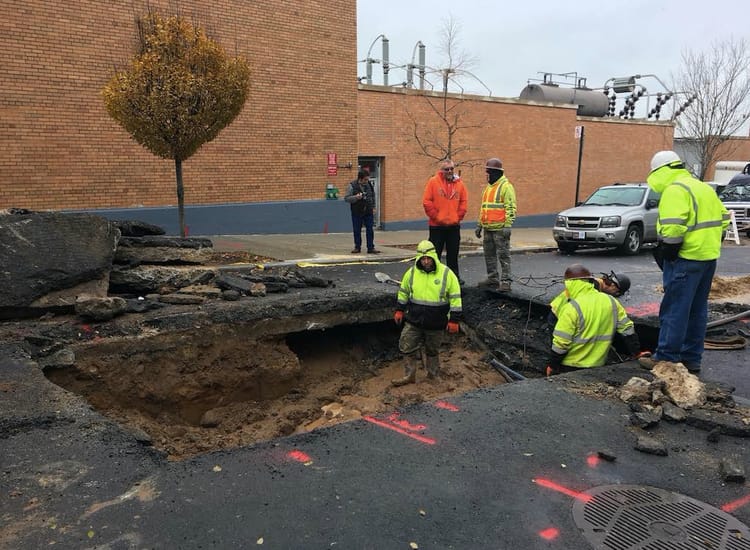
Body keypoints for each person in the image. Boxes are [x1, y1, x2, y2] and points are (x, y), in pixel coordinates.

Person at [638, 151, 730, 373]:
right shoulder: (702, 187)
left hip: (686, 258)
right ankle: (691, 358)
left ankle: (666, 357)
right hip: (707, 257)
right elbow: (724, 218)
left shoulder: (675, 190)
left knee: (674, 309)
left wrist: (667, 250)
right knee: (697, 310)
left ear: (659, 171)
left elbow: (673, 227)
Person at [391, 240, 463, 386]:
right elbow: (403, 292)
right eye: (422, 259)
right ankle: (409, 375)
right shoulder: (411, 273)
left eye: (428, 259)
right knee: (406, 345)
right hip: (414, 320)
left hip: (436, 322)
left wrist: (454, 320)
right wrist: (399, 310)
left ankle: (433, 374)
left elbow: (455, 298)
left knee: (432, 350)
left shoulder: (446, 274)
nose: (425, 262)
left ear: (433, 257)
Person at [547, 264, 640, 376]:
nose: (616, 295)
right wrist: (636, 352)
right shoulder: (609, 301)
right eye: (617, 293)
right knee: (567, 338)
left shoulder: (575, 304)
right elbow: (627, 329)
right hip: (595, 364)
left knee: (565, 339)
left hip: (570, 362)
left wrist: (553, 365)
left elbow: (562, 342)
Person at [422, 159, 468, 283]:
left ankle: (454, 278)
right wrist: (436, 217)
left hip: (453, 226)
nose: (450, 171)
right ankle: (432, 277)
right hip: (436, 226)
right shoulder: (433, 182)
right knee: (435, 254)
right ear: (441, 170)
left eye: (451, 169)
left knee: (453, 254)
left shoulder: (460, 184)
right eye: (447, 169)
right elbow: (427, 201)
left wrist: (458, 217)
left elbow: (463, 202)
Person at [476, 158, 516, 292]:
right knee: (489, 255)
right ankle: (492, 278)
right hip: (488, 228)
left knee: (503, 255)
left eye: (488, 172)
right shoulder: (488, 188)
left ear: (495, 173)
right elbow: (484, 208)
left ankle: (506, 281)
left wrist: (508, 225)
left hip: (500, 229)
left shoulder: (506, 187)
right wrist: (479, 225)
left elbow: (510, 207)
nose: (486, 175)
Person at [548, 268, 631, 324]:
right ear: (613, 285)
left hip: (560, 311)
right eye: (617, 293)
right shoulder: (592, 288)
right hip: (559, 315)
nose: (615, 295)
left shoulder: (593, 283)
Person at [344, 170, 380, 254]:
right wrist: (356, 197)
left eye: (367, 179)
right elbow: (346, 198)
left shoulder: (369, 184)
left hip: (368, 211)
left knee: (370, 229)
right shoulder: (352, 185)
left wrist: (373, 206)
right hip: (357, 211)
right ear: (360, 179)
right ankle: (357, 247)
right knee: (357, 230)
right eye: (365, 180)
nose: (366, 181)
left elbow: (372, 196)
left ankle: (370, 248)